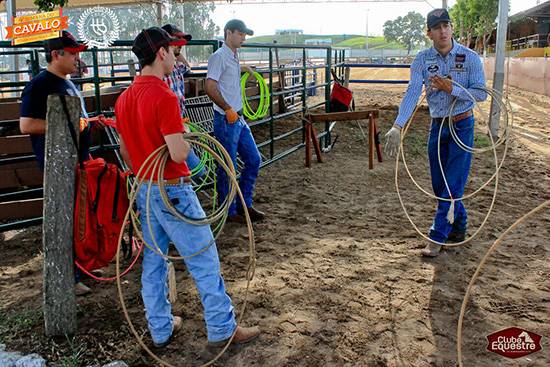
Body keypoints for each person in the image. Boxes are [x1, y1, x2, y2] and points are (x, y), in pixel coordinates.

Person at [115, 27, 260, 348]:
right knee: (203, 256)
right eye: (171, 50)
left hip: (145, 189)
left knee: (154, 261)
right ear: (160, 54)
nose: (175, 55)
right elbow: (179, 152)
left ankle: (160, 328)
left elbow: (126, 153)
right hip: (174, 189)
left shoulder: (124, 98)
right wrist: (186, 150)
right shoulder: (163, 96)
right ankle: (223, 328)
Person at [384, 8, 487, 257]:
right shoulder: (422, 60)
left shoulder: (470, 58)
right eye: (437, 27)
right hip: (437, 125)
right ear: (429, 33)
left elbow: (481, 93)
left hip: (462, 125)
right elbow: (412, 92)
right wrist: (398, 125)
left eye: (446, 25)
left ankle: (437, 236)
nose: (443, 31)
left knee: (451, 186)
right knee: (441, 185)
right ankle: (459, 226)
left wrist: (453, 88)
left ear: (452, 28)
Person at [19, 30, 94, 295]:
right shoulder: (40, 84)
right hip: (58, 165)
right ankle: (68, 278)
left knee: (78, 216)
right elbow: (26, 124)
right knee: (64, 219)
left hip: (77, 160)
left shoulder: (67, 81)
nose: (76, 58)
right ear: (55, 55)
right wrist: (68, 124)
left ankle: (81, 266)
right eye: (72, 53)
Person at [205, 19, 265, 223]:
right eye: (240, 34)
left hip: (235, 117)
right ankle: (229, 211)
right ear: (228, 33)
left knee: (254, 159)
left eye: (244, 34)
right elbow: (210, 86)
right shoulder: (219, 56)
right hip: (226, 117)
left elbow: (223, 78)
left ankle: (243, 205)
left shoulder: (231, 55)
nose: (243, 38)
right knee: (227, 165)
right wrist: (228, 108)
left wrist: (243, 68)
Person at [161, 23, 203, 176]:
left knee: (189, 170)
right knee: (197, 171)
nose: (180, 45)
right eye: (176, 41)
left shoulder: (176, 67)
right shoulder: (160, 71)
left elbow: (188, 68)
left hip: (180, 125)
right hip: (170, 129)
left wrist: (176, 52)